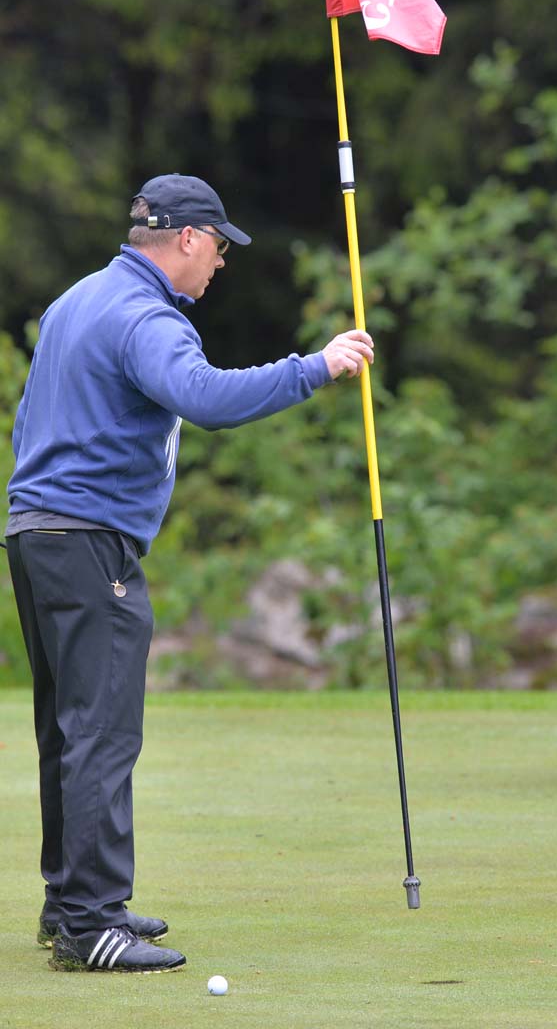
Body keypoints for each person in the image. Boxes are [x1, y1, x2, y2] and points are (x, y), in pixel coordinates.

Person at [4, 173, 374, 972]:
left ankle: (70, 907)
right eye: (218, 249)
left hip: (37, 534)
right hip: (88, 541)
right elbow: (202, 397)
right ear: (188, 239)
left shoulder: (77, 300)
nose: (220, 265)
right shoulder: (146, 315)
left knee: (68, 727)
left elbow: (29, 422)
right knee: (101, 731)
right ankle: (90, 924)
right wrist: (314, 367)